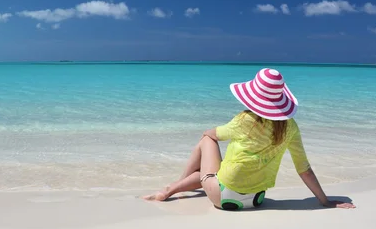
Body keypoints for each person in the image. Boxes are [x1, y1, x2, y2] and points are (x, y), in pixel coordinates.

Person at [143, 68, 355, 211]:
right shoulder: (291, 128)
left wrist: (207, 131)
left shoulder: (245, 120)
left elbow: (213, 134)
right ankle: (180, 186)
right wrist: (325, 201)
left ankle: (171, 188)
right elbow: (304, 170)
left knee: (206, 141)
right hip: (256, 200)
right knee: (211, 173)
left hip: (223, 198)